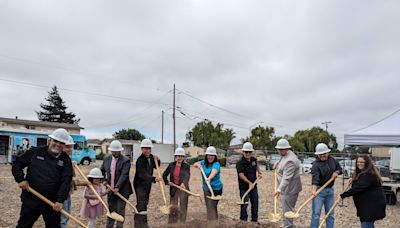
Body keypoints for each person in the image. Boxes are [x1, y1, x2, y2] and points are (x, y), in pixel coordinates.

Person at [12, 128, 73, 228]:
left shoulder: (65, 160)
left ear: (64, 145)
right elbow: (17, 164)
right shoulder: (35, 152)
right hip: (31, 199)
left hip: (52, 203)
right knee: (24, 225)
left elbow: (66, 181)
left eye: (61, 142)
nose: (57, 144)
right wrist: (20, 179)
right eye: (55, 141)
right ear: (50, 140)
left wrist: (60, 200)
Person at [339, 155, 386, 228]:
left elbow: (357, 188)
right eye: (358, 162)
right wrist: (354, 179)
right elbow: (360, 182)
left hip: (371, 205)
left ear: (367, 163)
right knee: (368, 224)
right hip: (368, 205)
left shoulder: (369, 174)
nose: (359, 164)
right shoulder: (364, 173)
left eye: (362, 162)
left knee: (366, 224)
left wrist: (342, 195)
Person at [101, 140, 133, 228]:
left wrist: (117, 187)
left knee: (120, 212)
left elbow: (124, 175)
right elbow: (102, 171)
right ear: (111, 150)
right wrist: (104, 180)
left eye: (117, 151)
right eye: (113, 151)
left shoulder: (126, 161)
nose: (115, 153)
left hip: (122, 190)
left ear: (120, 150)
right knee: (111, 211)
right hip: (110, 190)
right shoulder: (106, 159)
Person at [310, 143, 342, 228]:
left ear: (328, 152)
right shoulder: (315, 165)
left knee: (330, 213)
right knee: (316, 214)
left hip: (330, 191)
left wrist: (336, 172)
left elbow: (340, 169)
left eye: (325, 153)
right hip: (319, 191)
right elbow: (315, 179)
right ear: (318, 155)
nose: (324, 155)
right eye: (322, 154)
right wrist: (314, 190)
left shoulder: (332, 160)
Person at [273, 139, 302, 228]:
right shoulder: (285, 154)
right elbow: (282, 160)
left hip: (290, 189)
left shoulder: (291, 161)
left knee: (288, 209)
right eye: (279, 149)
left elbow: (286, 179)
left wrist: (279, 189)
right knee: (286, 208)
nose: (280, 151)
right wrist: (276, 164)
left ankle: (288, 226)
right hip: (286, 188)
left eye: (282, 149)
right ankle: (286, 224)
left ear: (287, 148)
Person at [133, 139, 161, 228]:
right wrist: (154, 178)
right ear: (142, 149)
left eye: (149, 148)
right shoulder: (140, 160)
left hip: (147, 184)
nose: (147, 150)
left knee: (145, 203)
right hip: (139, 185)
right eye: (145, 148)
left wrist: (158, 160)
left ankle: (144, 224)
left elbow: (156, 166)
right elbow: (142, 175)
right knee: (141, 204)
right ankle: (138, 225)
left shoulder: (152, 157)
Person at [194, 146, 223, 222]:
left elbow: (214, 171)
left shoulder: (216, 164)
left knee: (212, 206)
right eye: (208, 155)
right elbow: (195, 164)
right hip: (206, 189)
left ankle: (214, 223)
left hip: (216, 189)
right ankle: (210, 222)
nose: (210, 157)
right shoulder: (203, 163)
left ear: (215, 156)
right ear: (206, 156)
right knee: (208, 206)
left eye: (212, 155)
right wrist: (198, 165)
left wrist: (209, 178)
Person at [162, 147, 191, 224]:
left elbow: (187, 176)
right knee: (173, 207)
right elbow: (164, 175)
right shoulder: (171, 165)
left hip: (183, 189)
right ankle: (172, 223)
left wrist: (183, 183)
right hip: (174, 189)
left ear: (183, 157)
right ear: (175, 157)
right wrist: (167, 182)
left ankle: (182, 223)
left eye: (181, 156)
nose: (180, 158)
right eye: (178, 156)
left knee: (183, 207)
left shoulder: (186, 166)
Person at [236, 142, 262, 222]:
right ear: (243, 152)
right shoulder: (240, 163)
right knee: (244, 204)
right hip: (244, 187)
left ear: (251, 152)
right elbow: (241, 175)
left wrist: (259, 172)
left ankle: (254, 221)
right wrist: (249, 183)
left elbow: (257, 165)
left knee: (255, 204)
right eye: (246, 152)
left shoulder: (254, 160)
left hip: (253, 187)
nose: (248, 153)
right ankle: (243, 221)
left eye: (249, 152)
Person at [60, 136, 75, 228]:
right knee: (63, 216)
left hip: (67, 191)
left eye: (71, 147)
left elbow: (72, 176)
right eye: (67, 147)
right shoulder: (59, 160)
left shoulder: (68, 159)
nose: (70, 149)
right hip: (61, 193)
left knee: (67, 214)